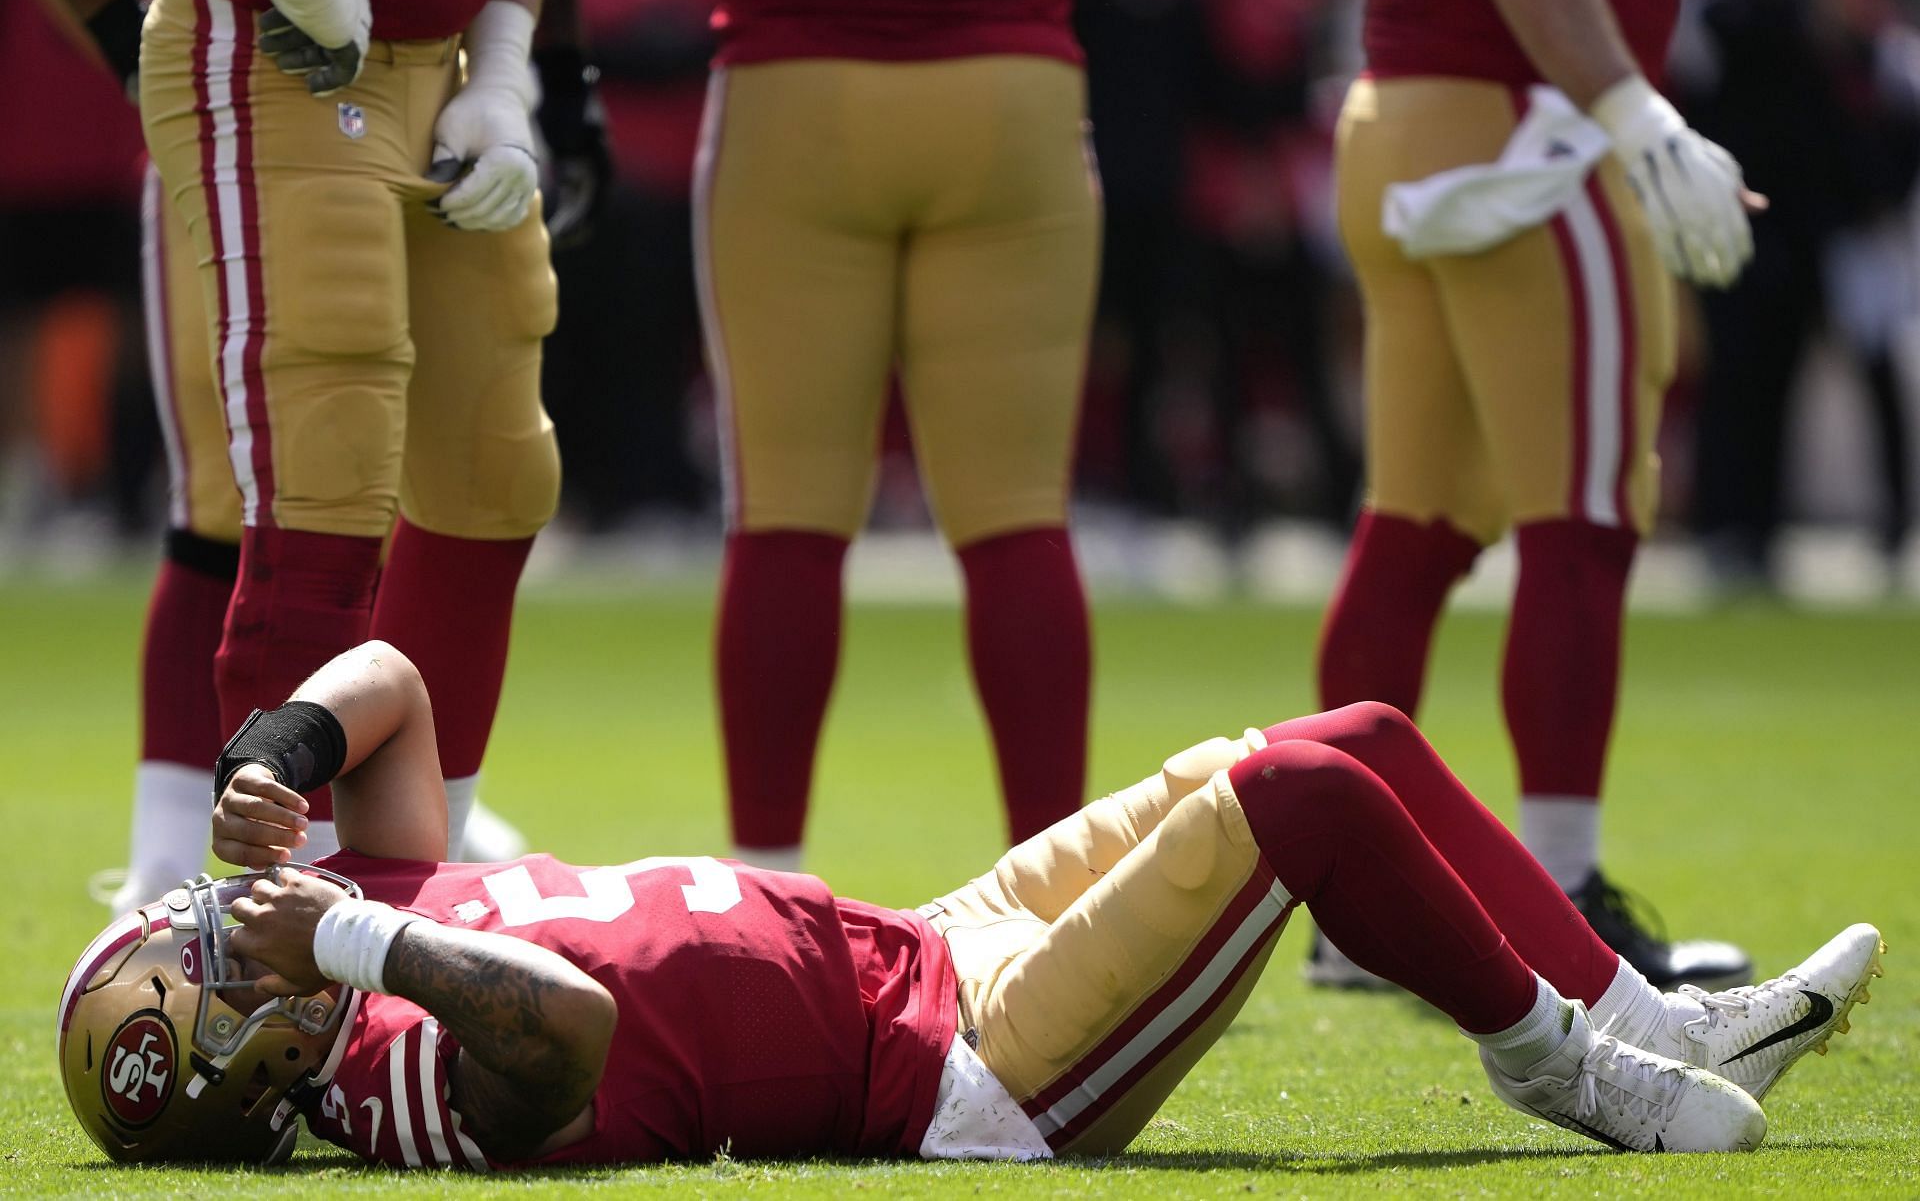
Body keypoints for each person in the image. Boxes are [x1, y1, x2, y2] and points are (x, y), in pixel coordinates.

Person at [59, 641, 1884, 1167]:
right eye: (199, 967)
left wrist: (282, 742)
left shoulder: (351, 897)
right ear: (250, 1059)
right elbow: (576, 1030)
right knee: (1305, 798)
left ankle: (1647, 1016)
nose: (212, 927)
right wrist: (357, 941)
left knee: (1359, 731)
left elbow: (393, 676)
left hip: (922, 932)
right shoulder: (386, 1067)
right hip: (957, 1070)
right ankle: (1567, 1064)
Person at [27, 0, 602, 907]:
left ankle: (425, 886)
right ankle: (292, 927)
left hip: (444, 61)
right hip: (274, 49)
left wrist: (504, 67)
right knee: (320, 483)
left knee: (495, 477)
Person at [1309, 0, 1764, 987]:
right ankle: (1563, 895)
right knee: (1585, 522)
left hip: (1401, 114)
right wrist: (1635, 110)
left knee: (1412, 526)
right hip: (1532, 142)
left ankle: (1349, 907)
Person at [698, 0, 1099, 868]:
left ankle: (766, 891)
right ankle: (1056, 898)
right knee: (1019, 522)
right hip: (1012, 94)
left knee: (783, 518)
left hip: (796, 91)